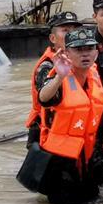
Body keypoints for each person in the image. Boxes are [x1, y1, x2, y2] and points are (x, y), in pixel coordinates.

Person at [18, 26, 103, 204]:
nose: (85, 54)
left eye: (89, 48)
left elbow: (102, 117)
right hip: (61, 167)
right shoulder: (58, 78)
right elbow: (44, 98)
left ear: (96, 52)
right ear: (67, 53)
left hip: (88, 161)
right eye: (78, 49)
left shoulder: (93, 76)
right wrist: (59, 77)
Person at [25, 10, 80, 147]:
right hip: (45, 134)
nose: (71, 35)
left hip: (70, 129)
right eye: (65, 31)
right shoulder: (46, 66)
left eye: (74, 30)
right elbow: (47, 100)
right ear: (53, 38)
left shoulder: (80, 61)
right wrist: (59, 76)